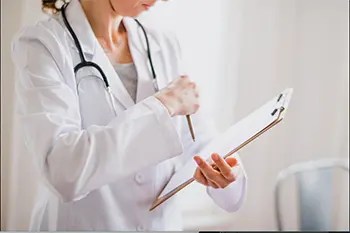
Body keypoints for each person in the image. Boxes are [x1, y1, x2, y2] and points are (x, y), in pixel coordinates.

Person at [11, 0, 247, 231]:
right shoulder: (42, 44)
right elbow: (64, 171)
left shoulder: (163, 43)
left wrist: (225, 172)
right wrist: (163, 105)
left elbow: (197, 139)